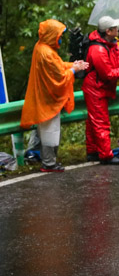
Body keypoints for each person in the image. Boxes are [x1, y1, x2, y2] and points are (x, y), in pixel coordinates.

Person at [20, 20, 89, 172]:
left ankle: (49, 161)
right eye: (59, 36)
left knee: (47, 131)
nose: (60, 39)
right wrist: (74, 70)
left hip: (44, 97)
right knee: (50, 133)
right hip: (48, 99)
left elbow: (58, 66)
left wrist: (72, 65)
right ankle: (49, 163)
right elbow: (59, 77)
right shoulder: (47, 53)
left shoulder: (42, 48)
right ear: (52, 35)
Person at [83, 16, 119, 164]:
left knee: (93, 122)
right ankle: (105, 155)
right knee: (101, 122)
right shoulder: (97, 49)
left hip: (102, 87)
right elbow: (107, 73)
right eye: (115, 28)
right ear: (108, 31)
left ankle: (93, 151)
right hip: (95, 88)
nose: (118, 29)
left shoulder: (112, 43)